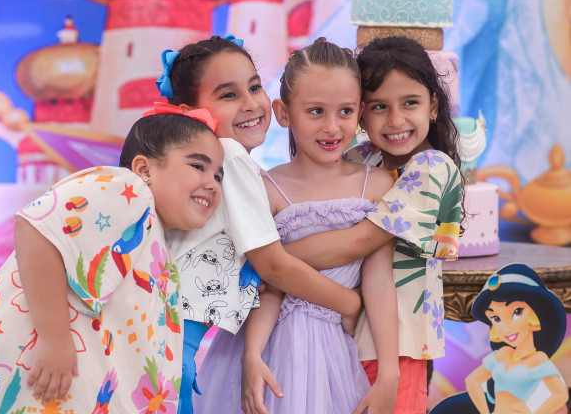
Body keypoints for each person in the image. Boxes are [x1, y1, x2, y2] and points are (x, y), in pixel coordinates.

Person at [156, 35, 364, 413]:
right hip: (175, 335)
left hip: (173, 330)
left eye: (254, 87)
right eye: (228, 95)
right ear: (190, 113)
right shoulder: (230, 156)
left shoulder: (220, 163)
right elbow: (274, 266)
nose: (251, 103)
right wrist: (349, 302)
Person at [194, 37, 398, 414]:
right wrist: (252, 353)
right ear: (284, 113)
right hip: (277, 347)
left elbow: (380, 281)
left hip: (339, 349)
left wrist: (389, 374)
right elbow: (268, 286)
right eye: (316, 111)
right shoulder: (267, 187)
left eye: (345, 111)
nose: (331, 127)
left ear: (360, 113)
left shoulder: (378, 185)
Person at [0, 108, 224, 413]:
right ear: (144, 168)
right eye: (198, 166)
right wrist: (54, 338)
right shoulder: (130, 191)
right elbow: (38, 229)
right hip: (40, 385)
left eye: (218, 176)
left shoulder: (159, 252)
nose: (213, 183)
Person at [281, 36, 465, 414]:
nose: (395, 120)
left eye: (410, 102)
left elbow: (356, 242)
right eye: (380, 106)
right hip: (338, 332)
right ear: (362, 114)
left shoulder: (432, 168)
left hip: (396, 347)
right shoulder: (362, 158)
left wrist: (269, 260)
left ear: (433, 105)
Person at [465, 263, 568, 414]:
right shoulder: (503, 354)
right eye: (496, 318)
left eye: (517, 312)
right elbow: (472, 381)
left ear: (535, 314)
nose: (506, 328)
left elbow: (560, 394)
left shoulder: (537, 359)